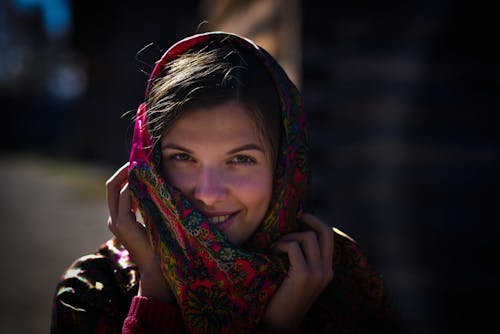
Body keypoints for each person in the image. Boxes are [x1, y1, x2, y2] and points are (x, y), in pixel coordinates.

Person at [51, 32, 399, 333]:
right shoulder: (94, 291)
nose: (208, 194)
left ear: (285, 167)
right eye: (183, 157)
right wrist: (155, 287)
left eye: (241, 160)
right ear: (149, 162)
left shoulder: (344, 282)